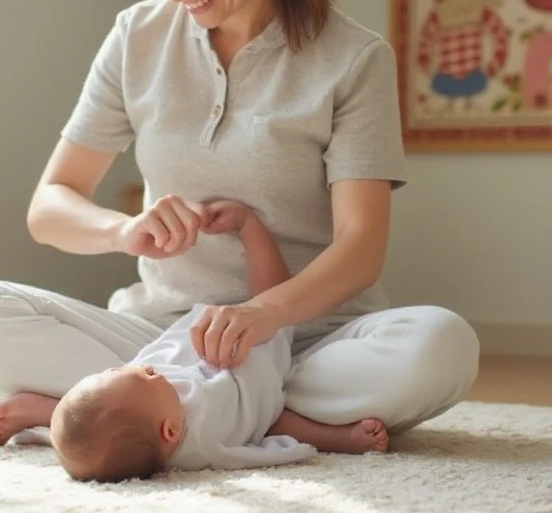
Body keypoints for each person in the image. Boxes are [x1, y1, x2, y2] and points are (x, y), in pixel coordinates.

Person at [0, 0, 480, 454]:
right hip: (159, 337)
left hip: (308, 336)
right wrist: (123, 231)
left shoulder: (353, 60)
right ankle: (232, 413)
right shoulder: (136, 36)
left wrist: (260, 316)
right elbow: (50, 206)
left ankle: (150, 410)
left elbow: (361, 249)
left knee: (441, 347)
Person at [50, 198, 388, 483]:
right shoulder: (210, 441)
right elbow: (264, 448)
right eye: (150, 377)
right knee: (276, 422)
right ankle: (248, 226)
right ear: (170, 431)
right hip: (259, 357)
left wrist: (35, 416)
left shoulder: (151, 417)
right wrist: (319, 444)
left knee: (87, 422)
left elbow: (87, 433)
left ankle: (40, 409)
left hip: (214, 350)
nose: (149, 370)